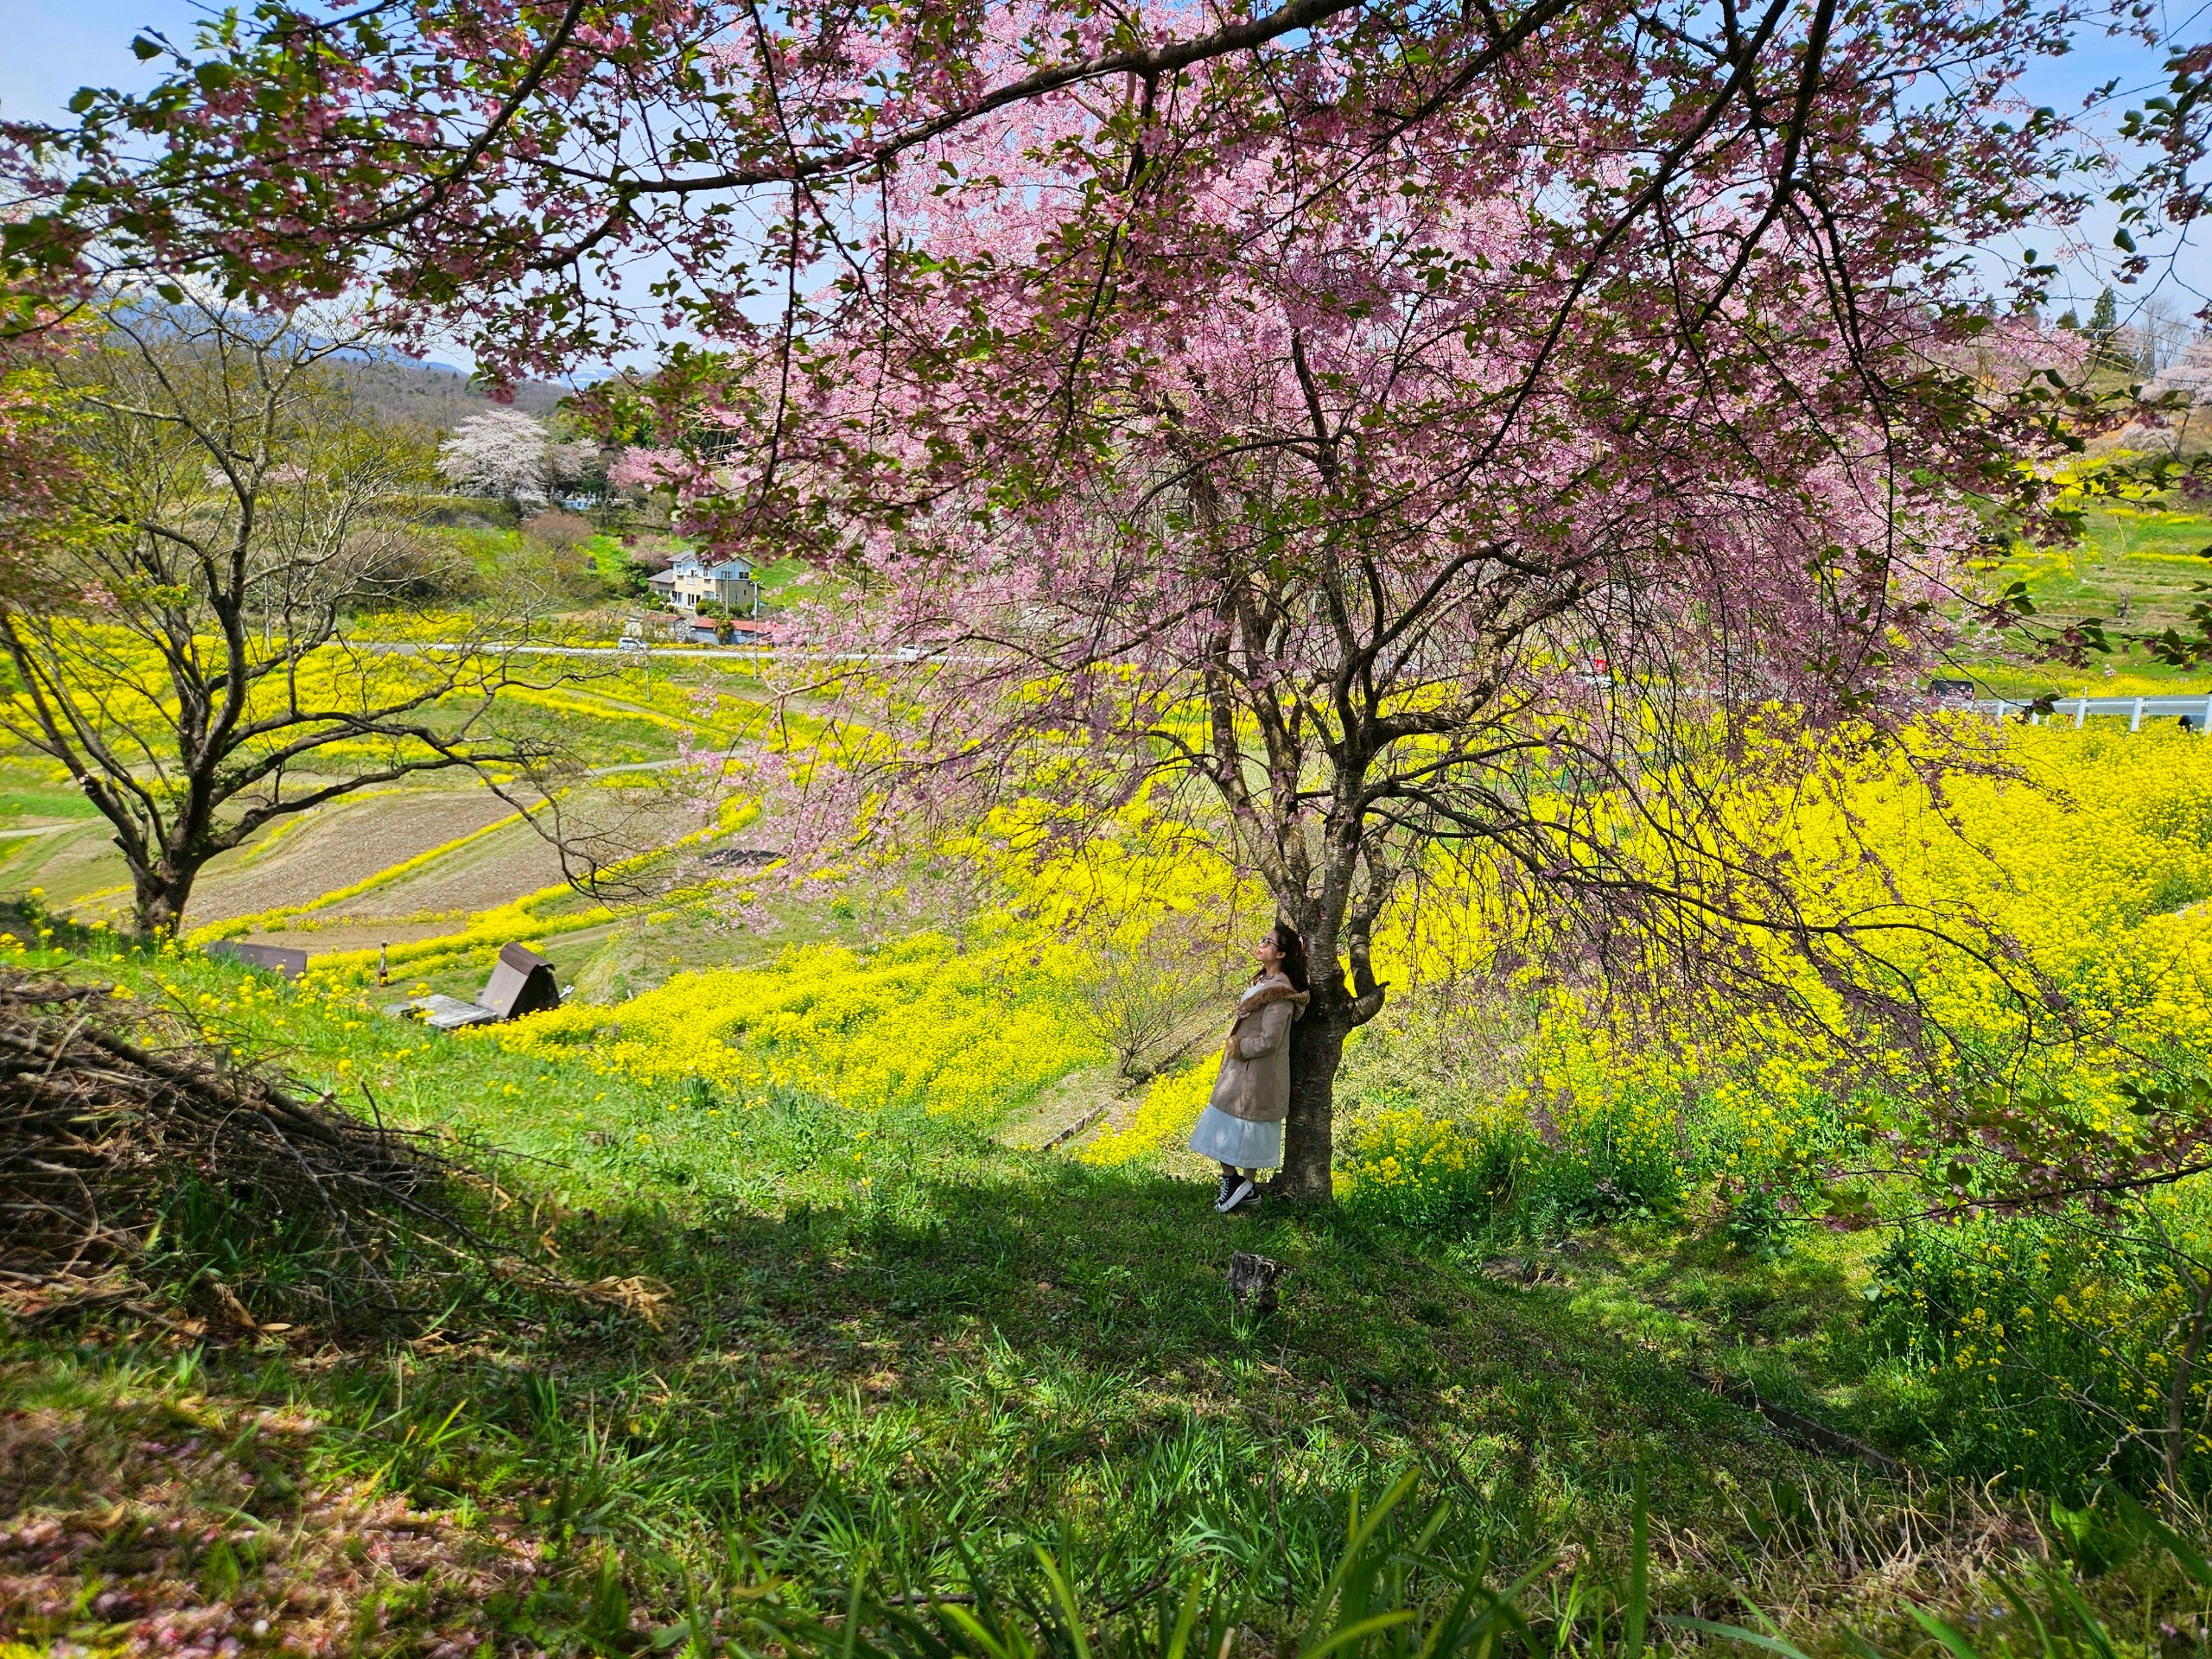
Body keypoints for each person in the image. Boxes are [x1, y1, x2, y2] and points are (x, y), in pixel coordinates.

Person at [1190, 919, 1311, 1214]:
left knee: (1245, 1131)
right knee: (1228, 1127)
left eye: (1268, 942)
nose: (1262, 944)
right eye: (1263, 939)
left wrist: (1238, 1048)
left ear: (1281, 954)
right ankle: (1240, 1187)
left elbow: (1270, 1040)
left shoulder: (1281, 993)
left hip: (1256, 1075)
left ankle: (1242, 1185)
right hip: (1240, 1072)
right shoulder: (1263, 982)